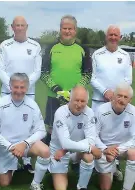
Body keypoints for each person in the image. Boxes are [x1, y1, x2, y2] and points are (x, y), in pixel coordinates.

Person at [0, 16, 42, 174]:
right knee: (4, 126)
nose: (19, 28)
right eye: (16, 25)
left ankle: (26, 161)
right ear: (12, 27)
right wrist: (13, 86)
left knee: (27, 126)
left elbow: (37, 71)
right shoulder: (4, 45)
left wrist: (24, 87)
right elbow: (0, 69)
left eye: (22, 25)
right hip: (8, 91)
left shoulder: (35, 46)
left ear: (27, 27)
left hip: (28, 92)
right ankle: (1, 160)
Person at [0, 73, 50, 190]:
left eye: (22, 87)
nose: (19, 91)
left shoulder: (32, 105)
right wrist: (11, 146)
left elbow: (41, 131)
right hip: (7, 147)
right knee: (4, 184)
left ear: (27, 88)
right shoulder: (0, 104)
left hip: (26, 145)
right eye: (16, 87)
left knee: (45, 151)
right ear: (10, 87)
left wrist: (24, 144)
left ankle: (36, 184)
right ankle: (14, 165)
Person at [40, 15, 92, 148]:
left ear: (75, 30)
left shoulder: (83, 49)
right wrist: (57, 89)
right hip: (54, 96)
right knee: (52, 127)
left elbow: (87, 73)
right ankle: (49, 159)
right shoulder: (51, 48)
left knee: (77, 128)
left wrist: (73, 92)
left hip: (76, 99)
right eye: (64, 28)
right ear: (60, 29)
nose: (67, 31)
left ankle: (76, 158)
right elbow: (44, 72)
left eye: (70, 28)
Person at [90, 25, 132, 181]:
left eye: (116, 35)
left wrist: (117, 95)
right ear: (106, 36)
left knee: (115, 133)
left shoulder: (125, 55)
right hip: (99, 100)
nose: (113, 37)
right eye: (110, 34)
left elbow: (129, 79)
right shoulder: (97, 54)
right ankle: (96, 165)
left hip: (118, 102)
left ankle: (114, 164)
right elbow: (92, 78)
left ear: (120, 37)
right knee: (96, 133)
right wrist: (106, 91)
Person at [48, 85, 102, 190]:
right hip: (58, 152)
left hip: (71, 150)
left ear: (87, 101)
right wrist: (89, 147)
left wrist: (67, 149)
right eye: (76, 100)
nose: (79, 104)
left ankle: (82, 188)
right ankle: (57, 167)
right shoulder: (60, 113)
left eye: (83, 101)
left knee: (89, 156)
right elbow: (65, 142)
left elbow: (91, 139)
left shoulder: (89, 112)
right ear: (70, 99)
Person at [94, 82, 135, 190]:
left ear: (130, 100)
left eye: (126, 97)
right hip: (105, 148)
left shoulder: (133, 111)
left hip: (121, 148)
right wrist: (105, 150)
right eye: (119, 95)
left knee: (134, 153)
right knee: (105, 188)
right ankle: (113, 168)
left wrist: (116, 150)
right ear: (113, 95)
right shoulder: (101, 110)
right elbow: (93, 136)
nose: (122, 99)